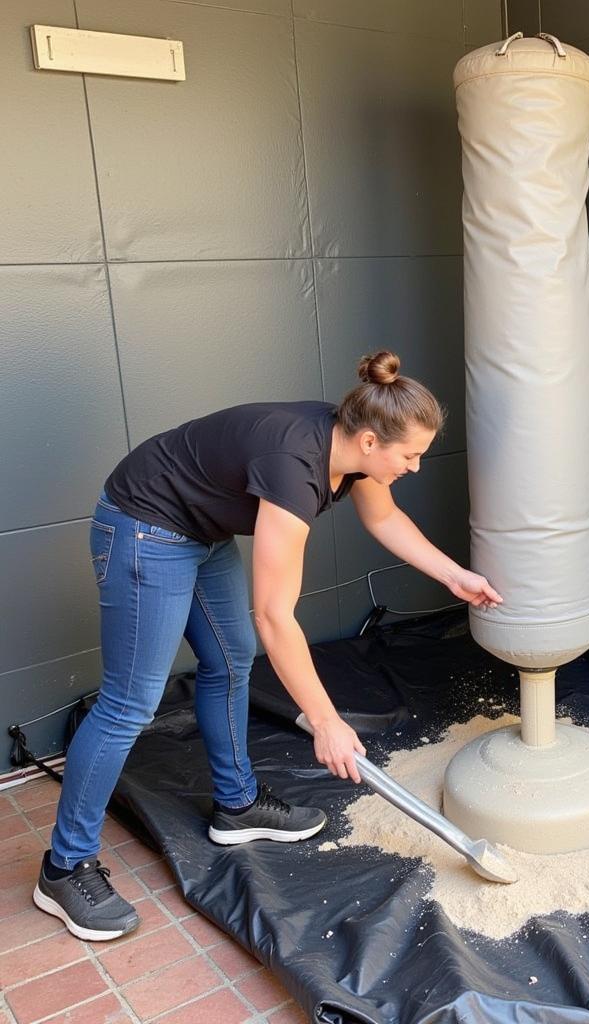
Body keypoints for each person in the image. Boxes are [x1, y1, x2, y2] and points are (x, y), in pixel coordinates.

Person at [33, 350, 503, 941]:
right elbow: (275, 616)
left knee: (230, 661)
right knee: (130, 704)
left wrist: (453, 576)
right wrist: (326, 721)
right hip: (145, 527)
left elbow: (385, 522)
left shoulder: (352, 457)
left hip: (199, 531)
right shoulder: (294, 466)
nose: (414, 466)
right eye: (409, 455)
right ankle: (63, 866)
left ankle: (236, 805)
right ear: (366, 441)